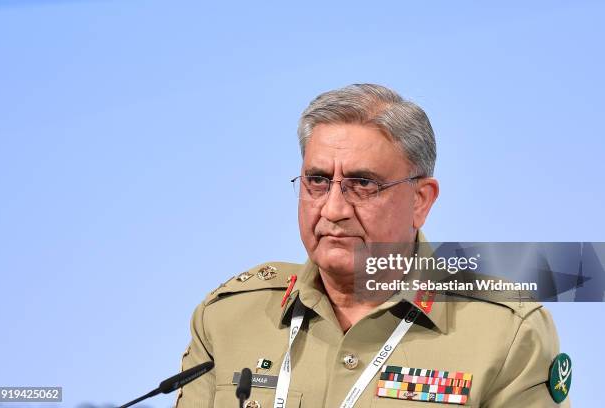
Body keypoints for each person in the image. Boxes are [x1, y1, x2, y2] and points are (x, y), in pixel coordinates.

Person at [175, 84, 571, 407]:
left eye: (362, 184)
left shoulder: (505, 332)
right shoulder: (226, 318)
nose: (333, 208)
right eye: (317, 181)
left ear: (421, 200)